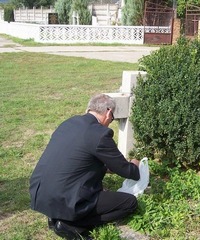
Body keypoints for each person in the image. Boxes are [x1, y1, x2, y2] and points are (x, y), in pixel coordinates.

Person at [29, 94, 140, 240]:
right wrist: (135, 165)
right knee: (130, 203)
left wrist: (106, 167)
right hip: (66, 199)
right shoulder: (100, 134)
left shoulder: (68, 123)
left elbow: (77, 159)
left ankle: (56, 217)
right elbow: (128, 171)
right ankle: (72, 224)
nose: (110, 121)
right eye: (112, 118)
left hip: (40, 193)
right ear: (108, 112)